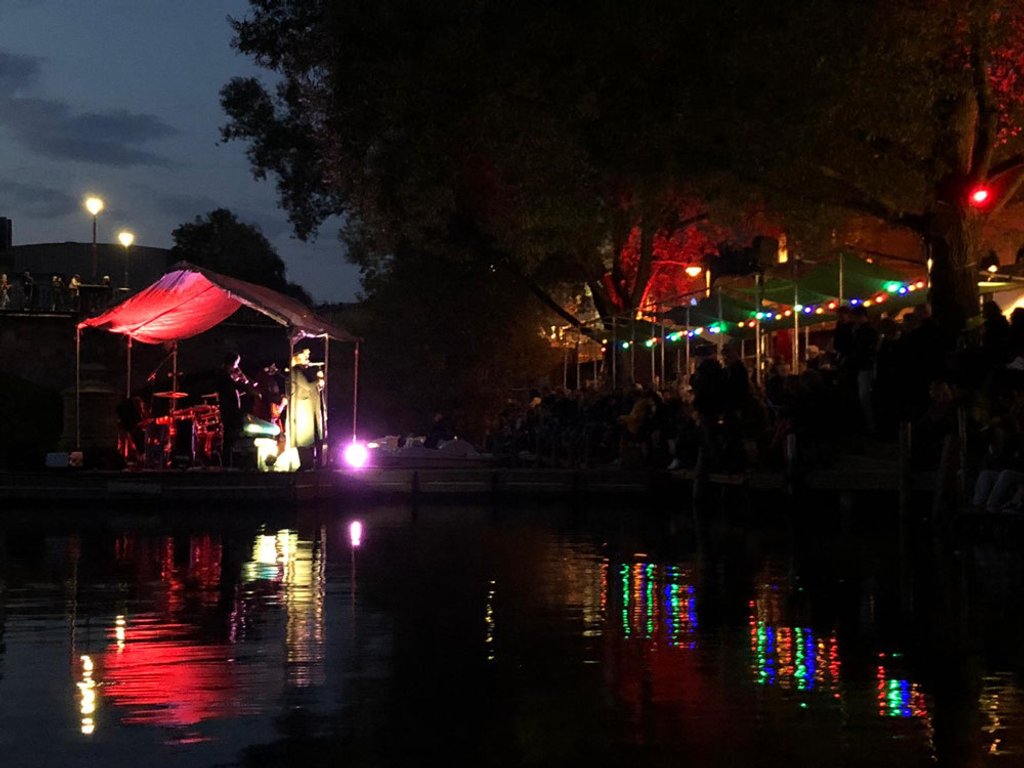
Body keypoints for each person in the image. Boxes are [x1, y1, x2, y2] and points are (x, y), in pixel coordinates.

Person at [288, 346, 324, 469]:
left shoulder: (305, 372)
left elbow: (314, 388)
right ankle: (305, 463)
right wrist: (318, 380)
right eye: (305, 357)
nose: (307, 360)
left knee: (312, 437)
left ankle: (312, 462)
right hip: (302, 409)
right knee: (303, 438)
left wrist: (319, 382)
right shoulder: (296, 372)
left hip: (310, 408)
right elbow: (307, 386)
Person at [213, 352, 251, 467]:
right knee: (229, 436)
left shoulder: (227, 374)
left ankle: (229, 463)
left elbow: (237, 389)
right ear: (233, 362)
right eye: (236, 364)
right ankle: (227, 464)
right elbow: (232, 387)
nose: (236, 367)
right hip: (228, 409)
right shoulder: (223, 374)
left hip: (231, 409)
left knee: (231, 436)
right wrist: (245, 385)